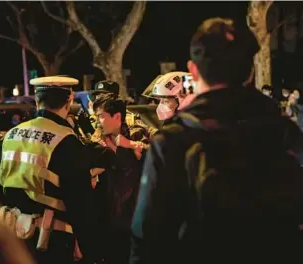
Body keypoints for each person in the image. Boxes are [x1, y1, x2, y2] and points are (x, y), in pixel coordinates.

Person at [130, 17, 303, 264]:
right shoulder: (283, 130)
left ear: (193, 70)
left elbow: (147, 235)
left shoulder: (175, 140)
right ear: (250, 70)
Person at [0, 76, 104, 264]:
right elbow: (81, 205)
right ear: (69, 101)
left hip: (13, 238)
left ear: (36, 101)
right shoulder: (66, 140)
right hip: (52, 243)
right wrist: (91, 251)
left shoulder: (11, 134)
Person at [92, 93, 147, 264]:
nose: (97, 122)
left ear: (117, 116)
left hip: (133, 219)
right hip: (107, 220)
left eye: (101, 116)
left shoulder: (137, 135)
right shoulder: (97, 141)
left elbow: (156, 156)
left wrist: (130, 145)